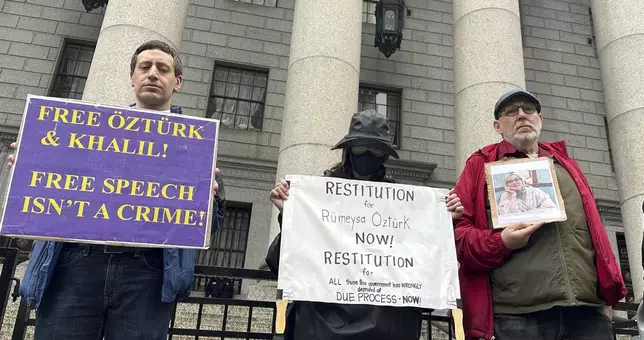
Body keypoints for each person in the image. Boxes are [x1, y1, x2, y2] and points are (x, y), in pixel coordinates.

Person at [6, 40, 225, 340]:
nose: (152, 74)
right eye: (144, 67)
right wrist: (30, 167)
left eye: (163, 69)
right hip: (76, 265)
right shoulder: (82, 132)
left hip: (148, 273)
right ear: (132, 78)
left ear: (177, 82)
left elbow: (209, 227)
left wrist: (209, 200)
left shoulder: (198, 146)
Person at [265, 109, 464, 340]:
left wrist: (442, 223)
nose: (367, 155)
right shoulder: (317, 198)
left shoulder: (404, 207)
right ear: (349, 152)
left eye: (376, 150)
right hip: (321, 323)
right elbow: (283, 265)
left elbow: (422, 272)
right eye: (360, 148)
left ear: (384, 156)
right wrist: (290, 216)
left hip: (384, 324)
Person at [453, 89, 626, 340]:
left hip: (586, 314)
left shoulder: (567, 166)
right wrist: (501, 242)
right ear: (497, 126)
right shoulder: (480, 165)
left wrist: (606, 298)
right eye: (511, 111)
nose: (522, 115)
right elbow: (459, 238)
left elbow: (594, 234)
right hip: (516, 316)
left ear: (540, 119)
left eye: (529, 109)